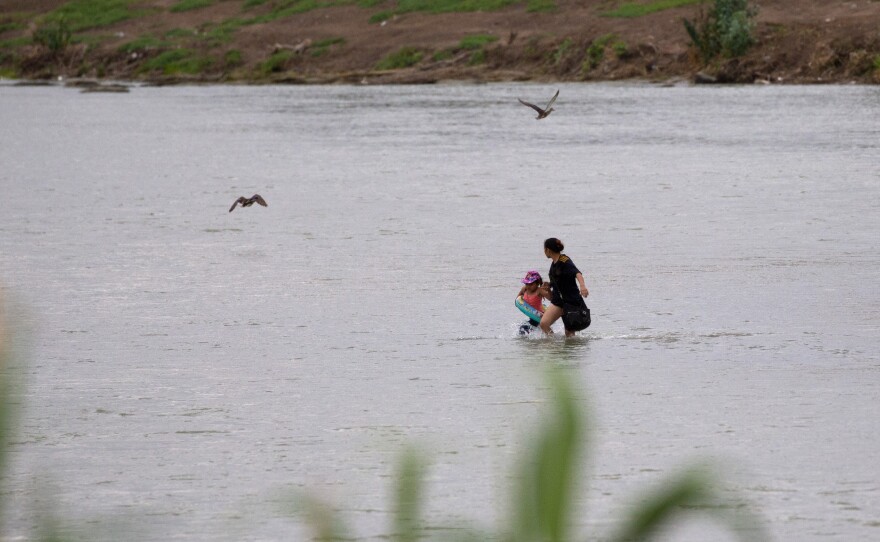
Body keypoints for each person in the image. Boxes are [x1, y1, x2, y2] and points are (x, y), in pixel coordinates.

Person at [539, 238, 590, 337]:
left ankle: (566, 350)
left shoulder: (565, 260)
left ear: (548, 250)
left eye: (544, 249)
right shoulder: (553, 265)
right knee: (544, 324)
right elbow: (559, 282)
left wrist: (582, 286)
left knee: (569, 333)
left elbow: (577, 273)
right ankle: (554, 346)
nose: (544, 251)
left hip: (571, 301)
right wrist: (549, 285)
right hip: (558, 301)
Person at [517, 270, 549, 335]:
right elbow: (518, 299)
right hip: (531, 314)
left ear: (537, 283)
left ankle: (531, 342)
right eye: (527, 283)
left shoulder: (539, 291)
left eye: (531, 284)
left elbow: (552, 298)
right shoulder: (525, 289)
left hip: (540, 315)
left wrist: (548, 289)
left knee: (523, 328)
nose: (528, 286)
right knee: (524, 329)